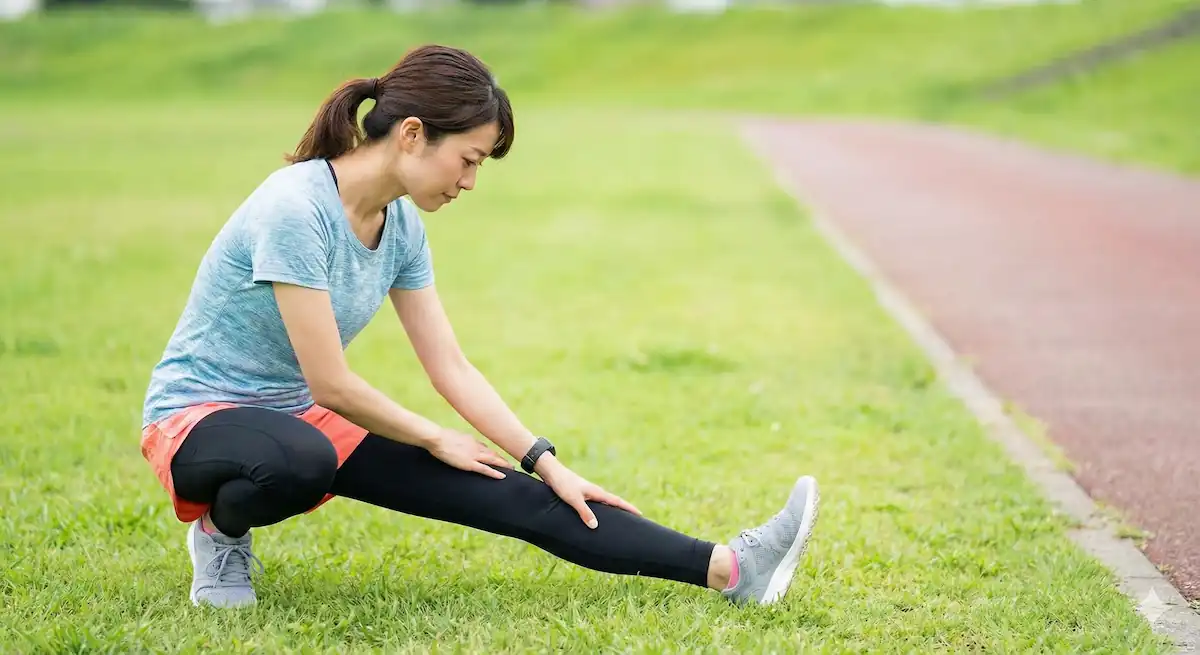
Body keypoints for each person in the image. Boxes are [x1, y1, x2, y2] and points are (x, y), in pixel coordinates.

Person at [139, 44, 820, 611]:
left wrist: (545, 462)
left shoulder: (400, 224)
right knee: (300, 458)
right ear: (412, 135)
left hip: (300, 418)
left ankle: (733, 569)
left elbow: (451, 367)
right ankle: (222, 530)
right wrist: (435, 435)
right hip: (199, 416)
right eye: (468, 159)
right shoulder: (295, 208)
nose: (470, 181)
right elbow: (332, 382)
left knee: (519, 497)